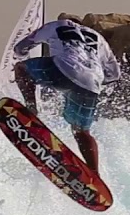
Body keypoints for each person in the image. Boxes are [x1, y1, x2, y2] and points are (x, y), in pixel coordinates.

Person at [12, 18, 122, 174]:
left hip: (63, 69)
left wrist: (22, 54)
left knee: (21, 69)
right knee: (81, 131)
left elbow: (20, 48)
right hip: (92, 82)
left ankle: (32, 112)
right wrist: (90, 79)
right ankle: (94, 174)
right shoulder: (99, 38)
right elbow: (114, 75)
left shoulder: (58, 24)